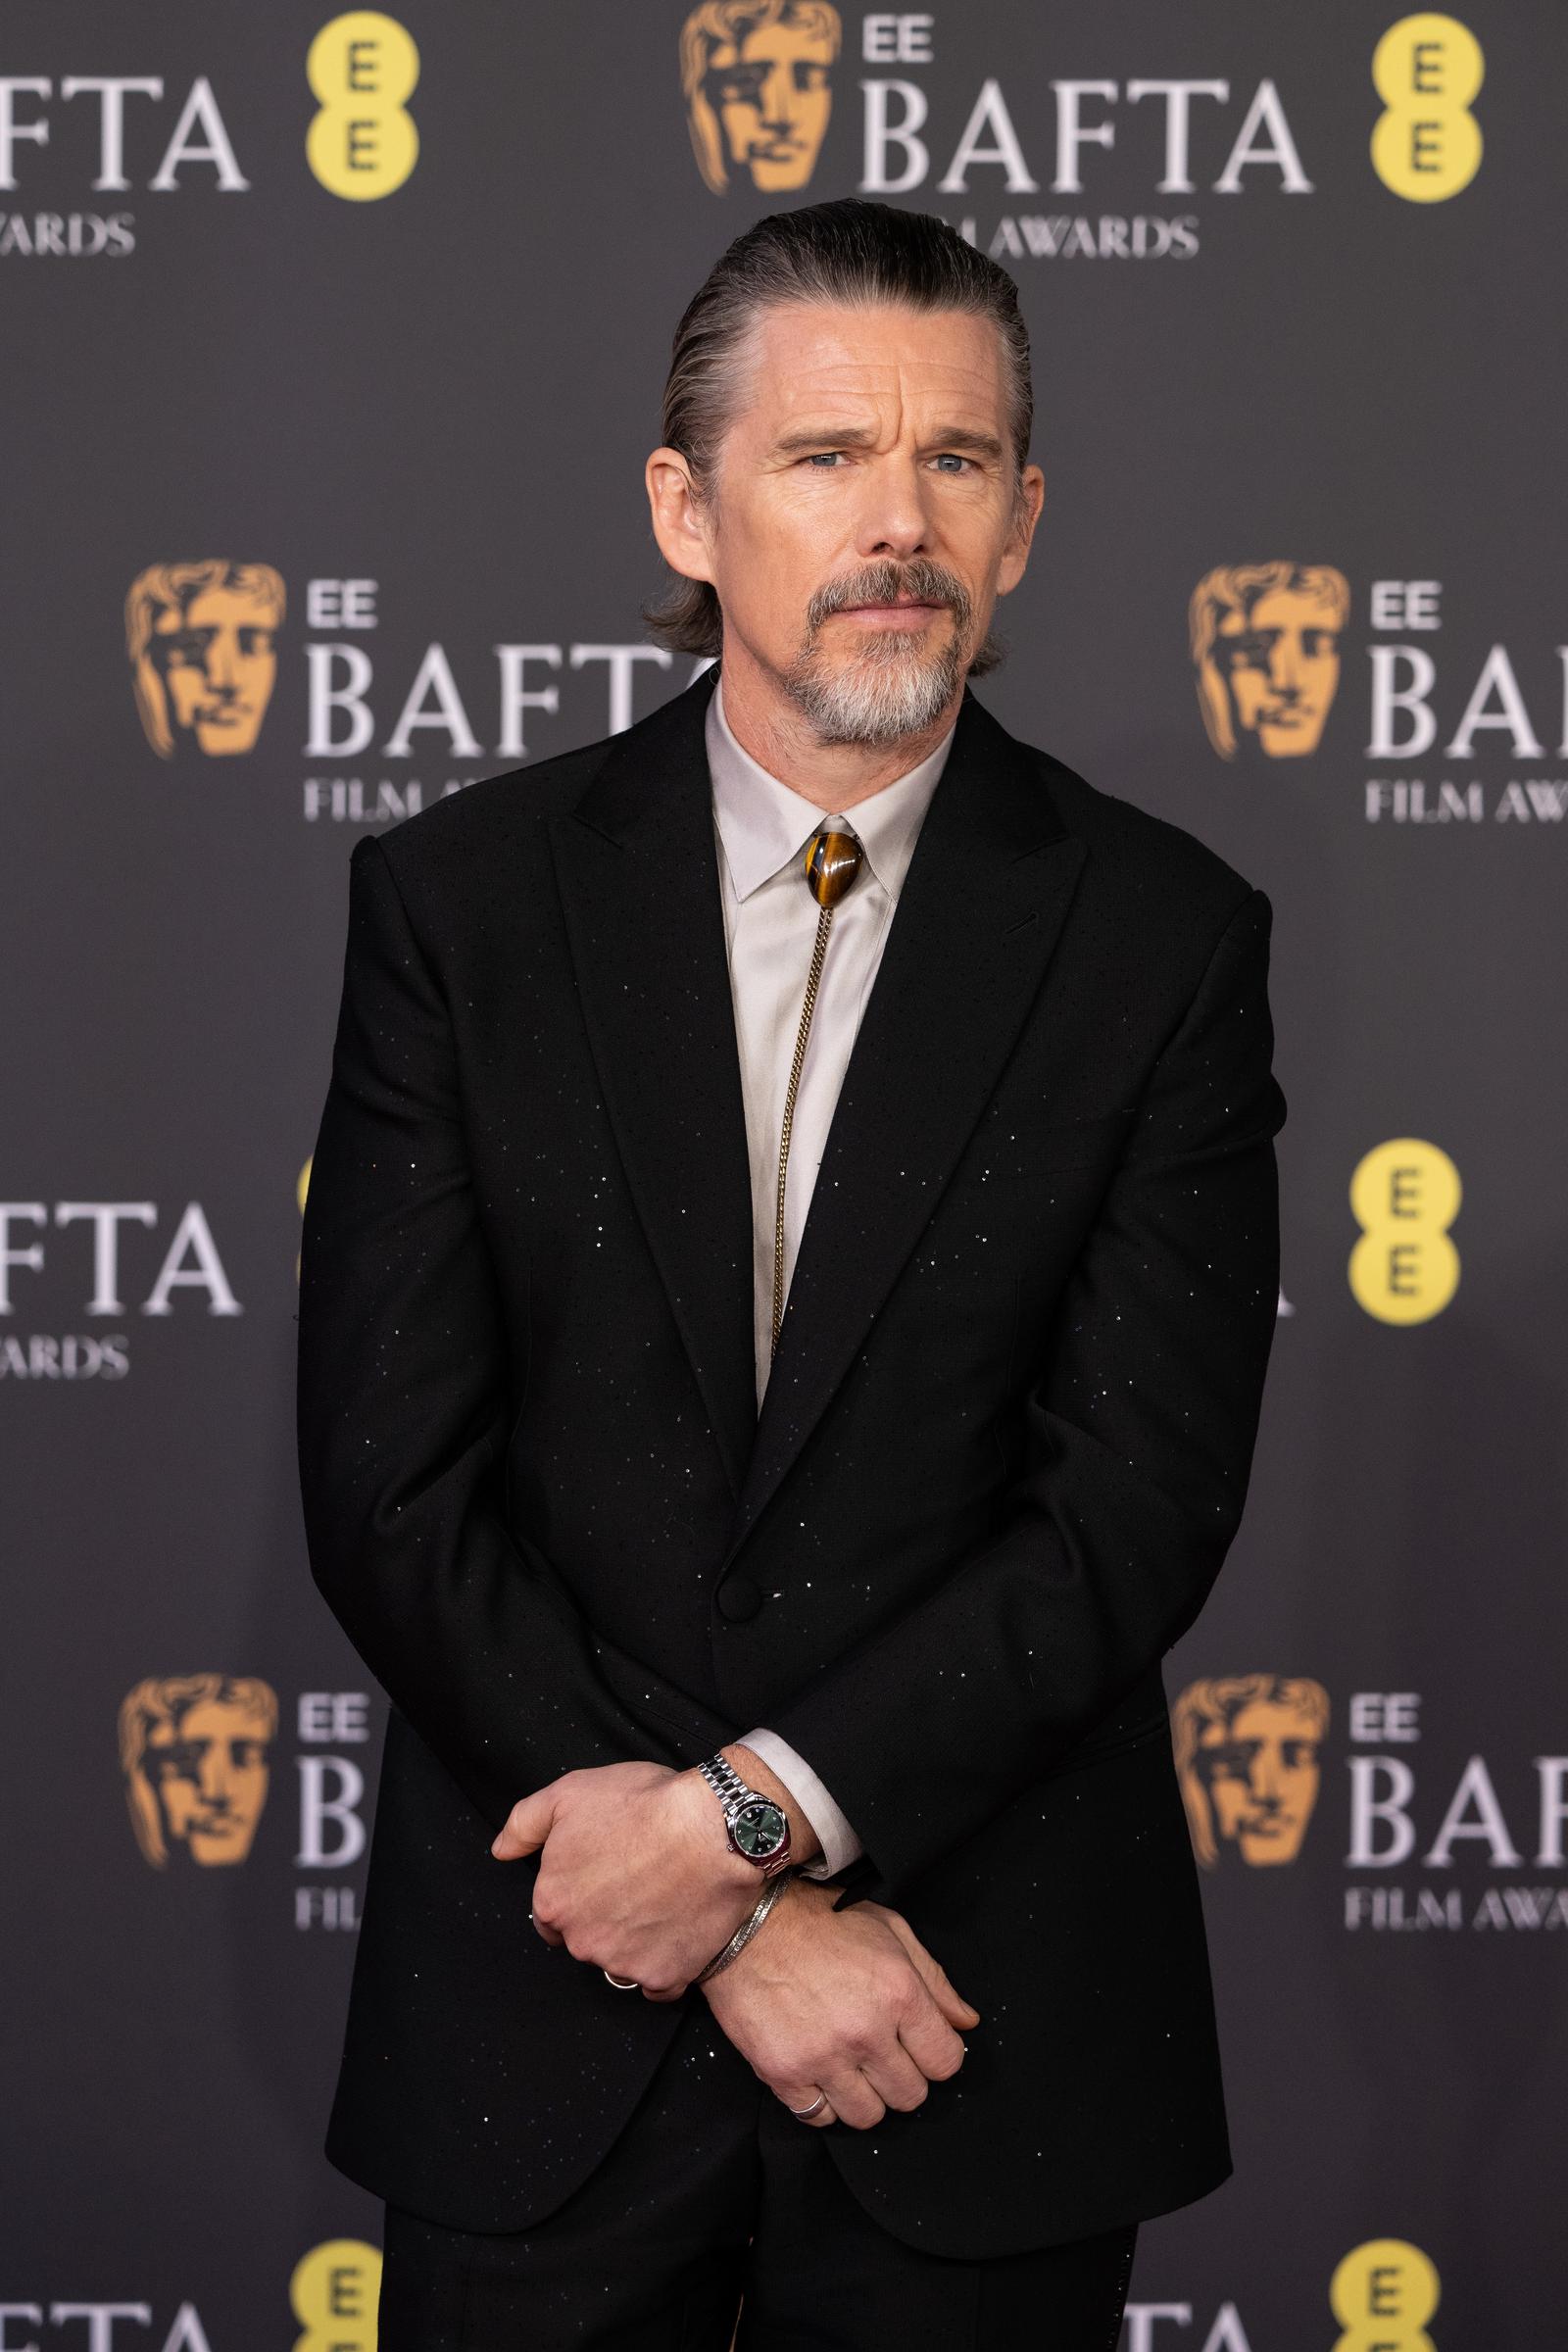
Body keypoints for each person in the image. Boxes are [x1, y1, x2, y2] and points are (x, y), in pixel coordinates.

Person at [297, 195, 1286, 2349]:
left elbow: (1127, 1511)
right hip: (543, 2019)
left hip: (963, 2024)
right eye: (826, 456)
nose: (896, 522)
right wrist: (735, 1919)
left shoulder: (1161, 941)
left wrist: (746, 1823)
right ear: (686, 503)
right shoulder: (459, 908)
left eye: (954, 460)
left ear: (1021, 519)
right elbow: (394, 1485)